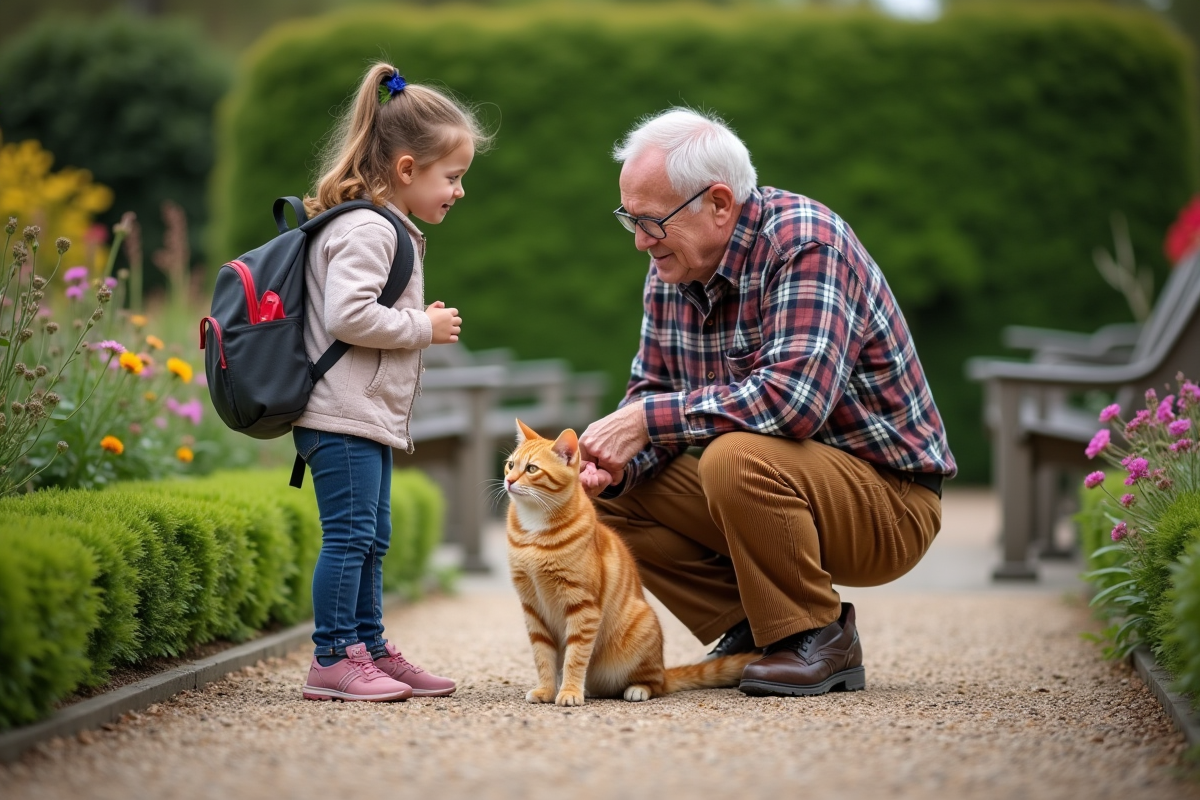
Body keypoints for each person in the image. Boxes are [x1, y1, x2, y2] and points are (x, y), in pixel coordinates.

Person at [578, 108, 955, 698]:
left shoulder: (806, 243)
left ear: (720, 204)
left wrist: (647, 420)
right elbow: (652, 394)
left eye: (651, 221)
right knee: (606, 499)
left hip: (890, 502)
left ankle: (818, 637)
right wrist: (609, 465)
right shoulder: (672, 268)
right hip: (775, 487)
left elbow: (790, 404)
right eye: (629, 218)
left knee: (734, 457)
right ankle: (756, 631)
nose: (639, 241)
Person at [293, 64, 490, 702]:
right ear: (407, 170)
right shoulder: (369, 228)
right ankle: (333, 658)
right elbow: (347, 316)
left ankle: (371, 648)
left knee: (371, 536)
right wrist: (421, 326)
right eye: (452, 177)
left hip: (362, 413)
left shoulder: (385, 225)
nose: (459, 191)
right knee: (350, 535)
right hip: (338, 413)